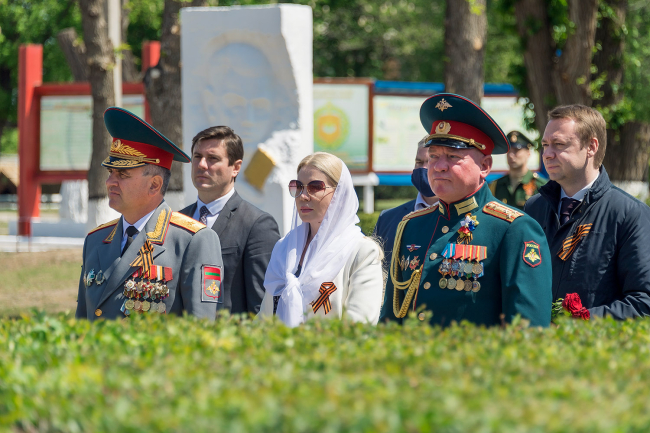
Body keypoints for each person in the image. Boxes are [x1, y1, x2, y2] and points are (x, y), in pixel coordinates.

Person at [380, 93, 552, 327]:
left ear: (485, 166)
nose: (439, 166)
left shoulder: (514, 229)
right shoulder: (411, 226)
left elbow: (528, 330)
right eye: (433, 156)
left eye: (453, 156)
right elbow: (390, 321)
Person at [76, 107, 223, 321]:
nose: (109, 182)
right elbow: (82, 322)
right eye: (110, 172)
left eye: (122, 175)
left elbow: (202, 327)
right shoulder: (95, 239)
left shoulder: (193, 240)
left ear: (154, 185)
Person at [524, 105, 650, 320]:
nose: (547, 154)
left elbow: (643, 303)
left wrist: (576, 322)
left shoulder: (630, 214)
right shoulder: (534, 207)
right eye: (545, 145)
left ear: (591, 147)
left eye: (559, 144)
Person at [259, 152, 383, 327]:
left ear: (340, 193)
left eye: (315, 187)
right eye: (298, 186)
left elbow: (359, 325)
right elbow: (264, 317)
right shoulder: (283, 248)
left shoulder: (362, 252)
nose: (303, 196)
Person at [179, 126, 280, 314]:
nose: (202, 165)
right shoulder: (176, 220)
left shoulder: (256, 224)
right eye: (197, 156)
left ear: (236, 168)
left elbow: (262, 307)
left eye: (213, 158)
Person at [373, 135, 438, 275]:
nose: (423, 168)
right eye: (418, 162)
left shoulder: (463, 217)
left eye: (430, 161)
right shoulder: (387, 218)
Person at [489, 130, 547, 210]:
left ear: (528, 153)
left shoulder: (541, 186)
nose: (511, 155)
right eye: (509, 151)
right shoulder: (496, 185)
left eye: (516, 150)